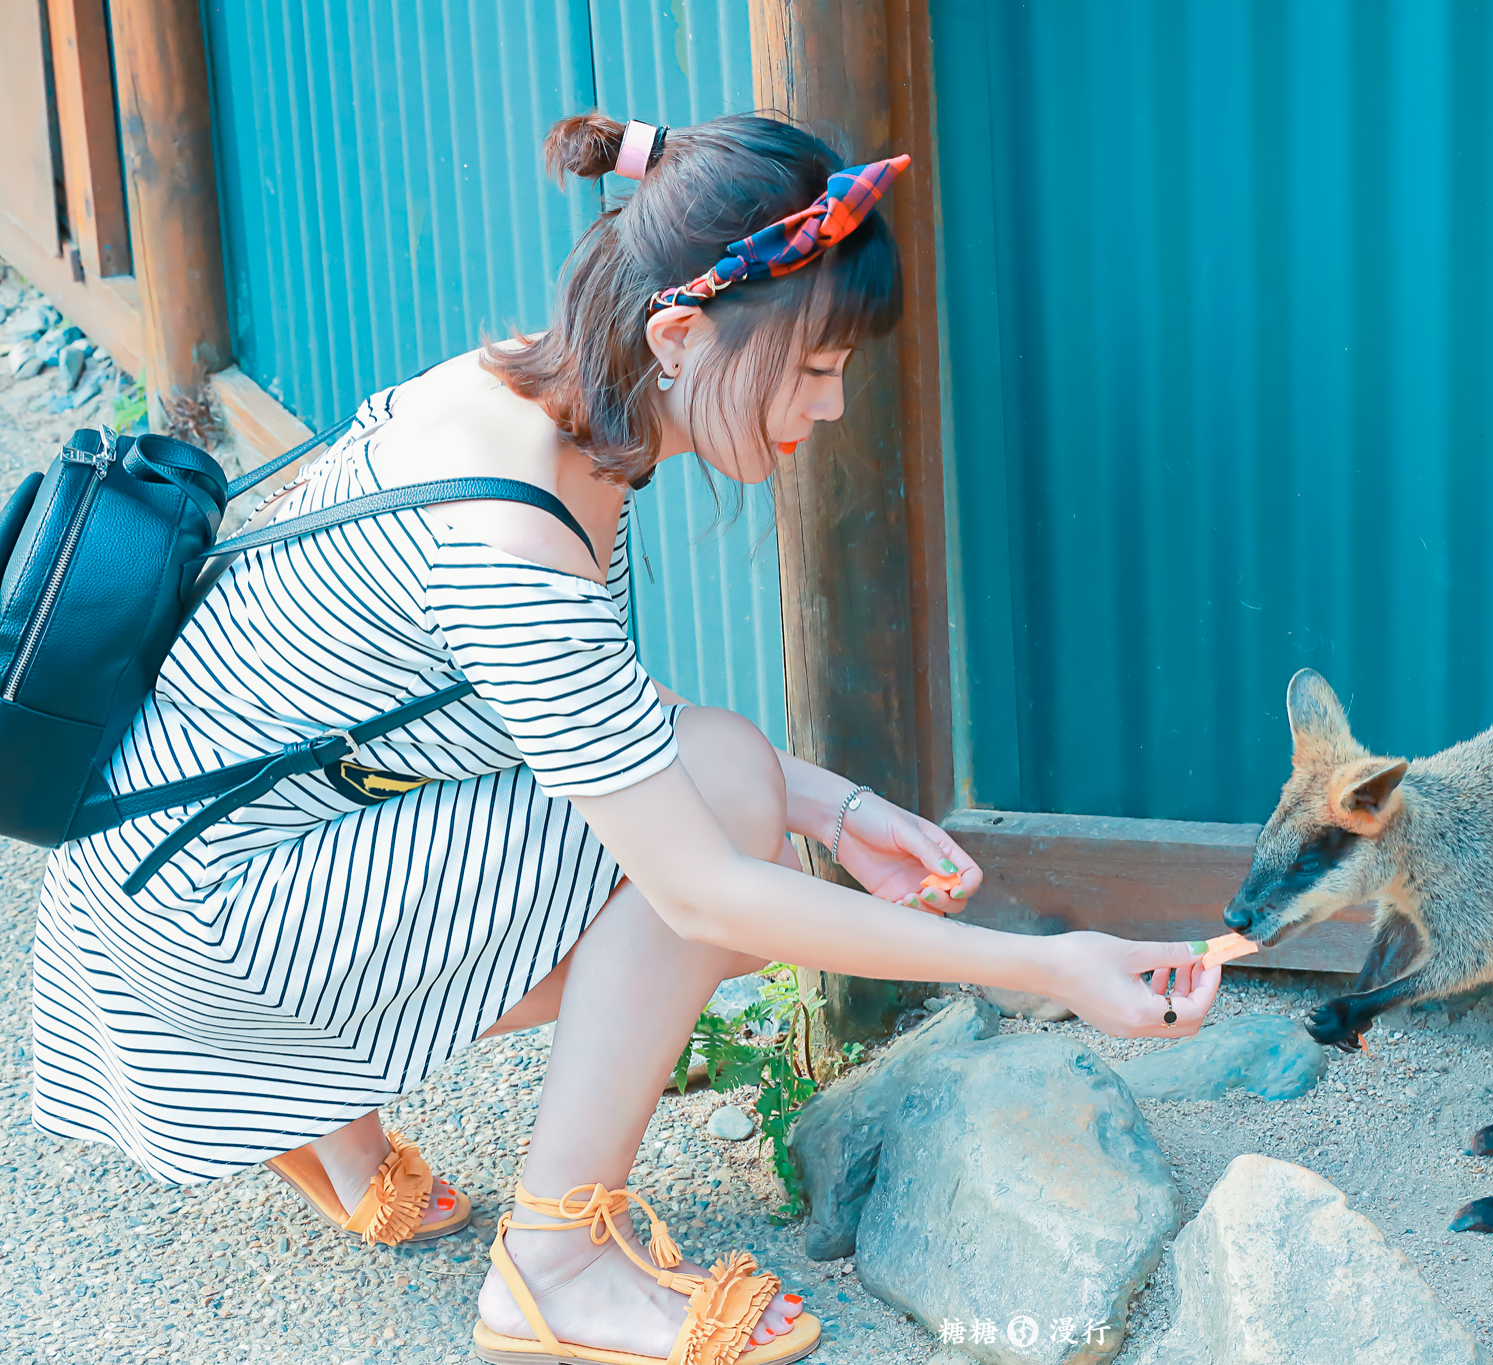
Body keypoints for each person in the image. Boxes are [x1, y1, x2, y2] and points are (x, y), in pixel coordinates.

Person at [28, 111, 1220, 1365]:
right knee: (718, 807)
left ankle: (325, 1123)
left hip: (161, 862)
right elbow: (700, 890)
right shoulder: (516, 548)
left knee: (725, 779)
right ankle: (551, 1268)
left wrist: (844, 810)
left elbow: (562, 715)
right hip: (198, 940)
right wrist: (1051, 967)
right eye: (812, 369)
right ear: (677, 333)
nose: (831, 406)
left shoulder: (518, 394)